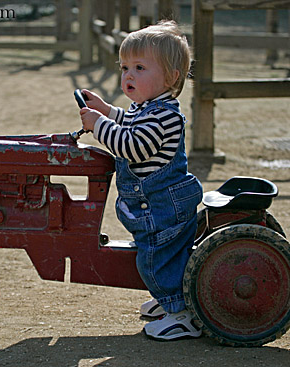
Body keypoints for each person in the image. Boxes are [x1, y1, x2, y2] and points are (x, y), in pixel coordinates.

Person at [79, 20, 202, 341]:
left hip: (162, 205)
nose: (128, 75)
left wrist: (98, 124)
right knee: (160, 254)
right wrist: (107, 110)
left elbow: (132, 146)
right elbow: (130, 120)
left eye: (139, 68)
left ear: (171, 77)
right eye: (124, 68)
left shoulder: (165, 116)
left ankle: (182, 314)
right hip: (155, 203)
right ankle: (170, 301)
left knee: (155, 257)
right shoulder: (147, 108)